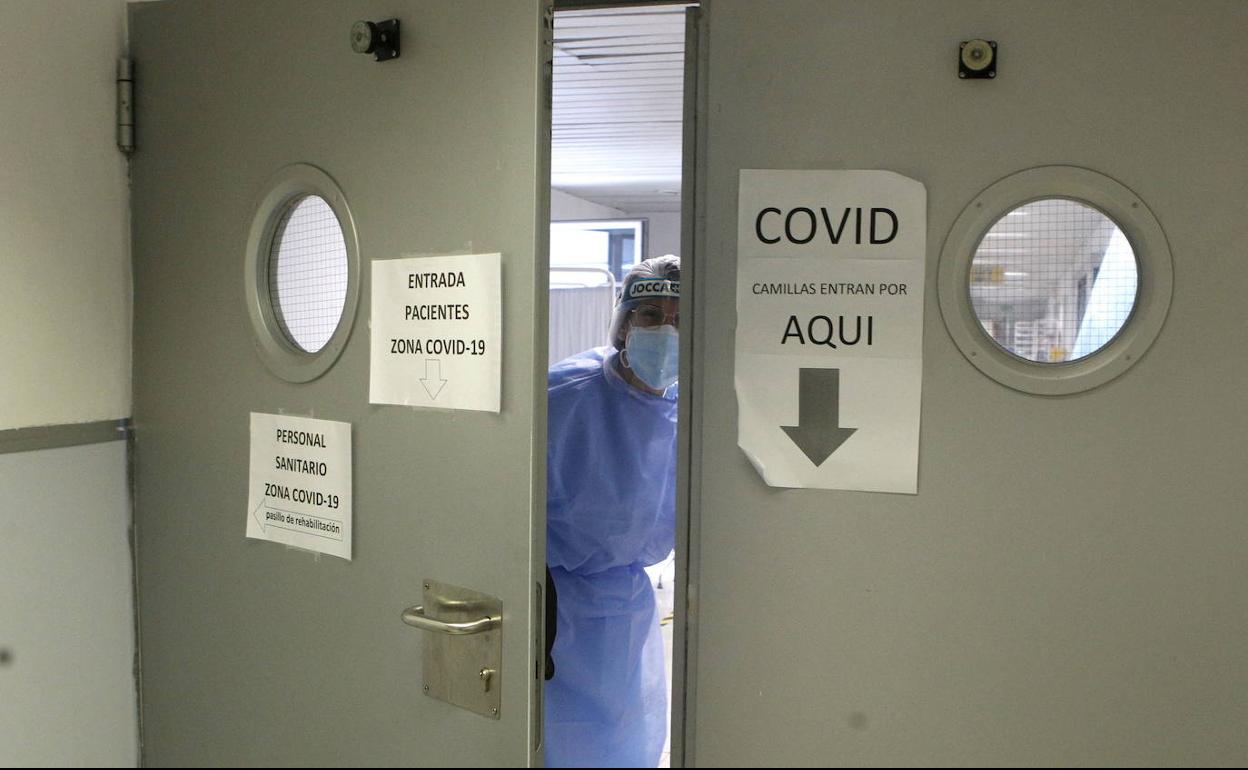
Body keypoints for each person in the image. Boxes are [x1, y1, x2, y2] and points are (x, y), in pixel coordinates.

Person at [545, 255, 680, 768]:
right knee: (557, 741)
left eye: (680, 318)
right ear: (623, 325)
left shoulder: (692, 408)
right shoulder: (563, 397)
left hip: (628, 603)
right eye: (649, 315)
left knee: (630, 737)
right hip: (555, 606)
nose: (666, 331)